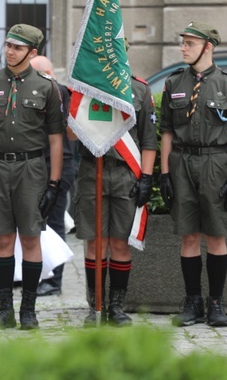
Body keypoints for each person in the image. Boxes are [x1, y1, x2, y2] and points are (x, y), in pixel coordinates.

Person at [0, 24, 64, 331]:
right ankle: (5, 310)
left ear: (32, 52)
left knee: (30, 238)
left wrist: (53, 182)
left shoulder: (47, 87)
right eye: (8, 45)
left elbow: (55, 139)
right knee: (3, 239)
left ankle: (29, 310)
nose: (10, 51)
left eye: (18, 47)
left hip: (31, 168)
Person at [71, 59, 156, 326]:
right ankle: (95, 305)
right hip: (91, 171)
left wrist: (147, 178)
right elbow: (70, 135)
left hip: (125, 172)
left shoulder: (139, 89)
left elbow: (148, 138)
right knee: (95, 243)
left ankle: (117, 307)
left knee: (120, 242)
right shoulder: (85, 88)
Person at [160, 21, 227, 328]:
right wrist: (164, 173)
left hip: (216, 162)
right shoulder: (174, 83)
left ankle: (216, 303)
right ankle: (193, 302)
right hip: (182, 161)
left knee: (216, 235)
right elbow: (165, 130)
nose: (183, 47)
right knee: (189, 235)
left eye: (189, 43)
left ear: (208, 46)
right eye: (183, 42)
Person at [29, 55, 78, 298]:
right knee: (41, 222)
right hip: (41, 165)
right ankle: (42, 275)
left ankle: (54, 280)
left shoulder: (59, 92)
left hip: (58, 165)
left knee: (54, 222)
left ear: (46, 72)